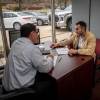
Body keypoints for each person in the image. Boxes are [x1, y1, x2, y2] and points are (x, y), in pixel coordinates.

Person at [2, 23, 57, 100]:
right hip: (19, 92)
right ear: (32, 33)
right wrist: (50, 57)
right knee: (51, 83)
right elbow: (46, 68)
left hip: (7, 86)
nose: (37, 35)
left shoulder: (15, 43)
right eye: (36, 32)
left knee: (40, 75)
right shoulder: (32, 48)